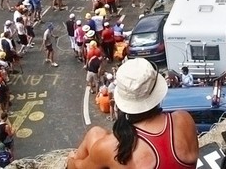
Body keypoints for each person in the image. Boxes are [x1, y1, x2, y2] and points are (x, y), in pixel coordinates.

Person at [67, 58, 198, 168]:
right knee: (95, 134)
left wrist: (71, 160)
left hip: (102, 155)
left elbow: (79, 167)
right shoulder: (184, 119)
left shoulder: (110, 147)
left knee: (94, 135)